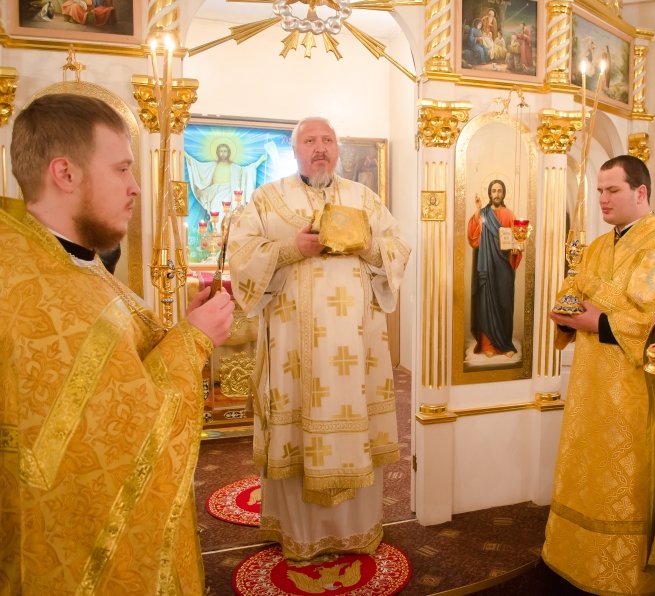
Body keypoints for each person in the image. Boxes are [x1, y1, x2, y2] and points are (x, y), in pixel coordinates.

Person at [0, 93, 235, 593]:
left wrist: (185, 328)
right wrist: (193, 341)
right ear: (65, 173)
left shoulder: (63, 262)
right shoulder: (36, 296)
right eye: (122, 169)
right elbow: (115, 441)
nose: (135, 188)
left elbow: (120, 369)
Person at [228, 117, 409, 561]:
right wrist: (293, 249)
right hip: (292, 348)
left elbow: (398, 247)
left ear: (338, 149)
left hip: (356, 349)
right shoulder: (267, 199)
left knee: (354, 428)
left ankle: (356, 530)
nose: (320, 147)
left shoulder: (364, 198)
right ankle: (299, 533)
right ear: (295, 150)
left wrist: (368, 247)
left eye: (327, 139)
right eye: (310, 140)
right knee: (297, 432)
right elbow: (241, 254)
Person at [542, 155, 655, 594]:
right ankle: (573, 556)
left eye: (612, 190)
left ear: (640, 192)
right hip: (589, 385)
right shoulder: (594, 247)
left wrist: (603, 321)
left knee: (624, 482)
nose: (603, 199)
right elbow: (573, 295)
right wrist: (567, 313)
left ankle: (625, 576)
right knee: (586, 471)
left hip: (634, 393)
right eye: (600, 191)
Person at [467, 179, 522, 358]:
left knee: (504, 303)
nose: (496, 194)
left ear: (503, 194)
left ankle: (505, 345)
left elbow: (517, 239)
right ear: (489, 193)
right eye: (493, 191)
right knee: (486, 303)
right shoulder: (483, 214)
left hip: (504, 267)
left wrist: (516, 247)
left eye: (499, 191)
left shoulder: (509, 214)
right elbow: (474, 236)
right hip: (487, 266)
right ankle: (487, 344)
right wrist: (477, 208)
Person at [184, 141, 266, 219]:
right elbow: (198, 166)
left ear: (228, 153)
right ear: (217, 153)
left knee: (228, 217)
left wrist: (260, 160)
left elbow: (247, 171)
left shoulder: (235, 168)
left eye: (225, 151)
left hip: (230, 195)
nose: (223, 153)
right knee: (216, 215)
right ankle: (217, 229)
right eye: (221, 151)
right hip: (215, 194)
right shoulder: (212, 165)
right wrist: (185, 154)